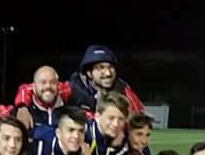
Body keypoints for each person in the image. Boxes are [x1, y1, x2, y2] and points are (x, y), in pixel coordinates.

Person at [13, 45, 145, 114]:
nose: (108, 73)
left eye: (111, 67)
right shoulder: (72, 88)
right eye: (101, 68)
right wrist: (22, 107)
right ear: (88, 72)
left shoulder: (122, 89)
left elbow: (139, 116)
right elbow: (29, 88)